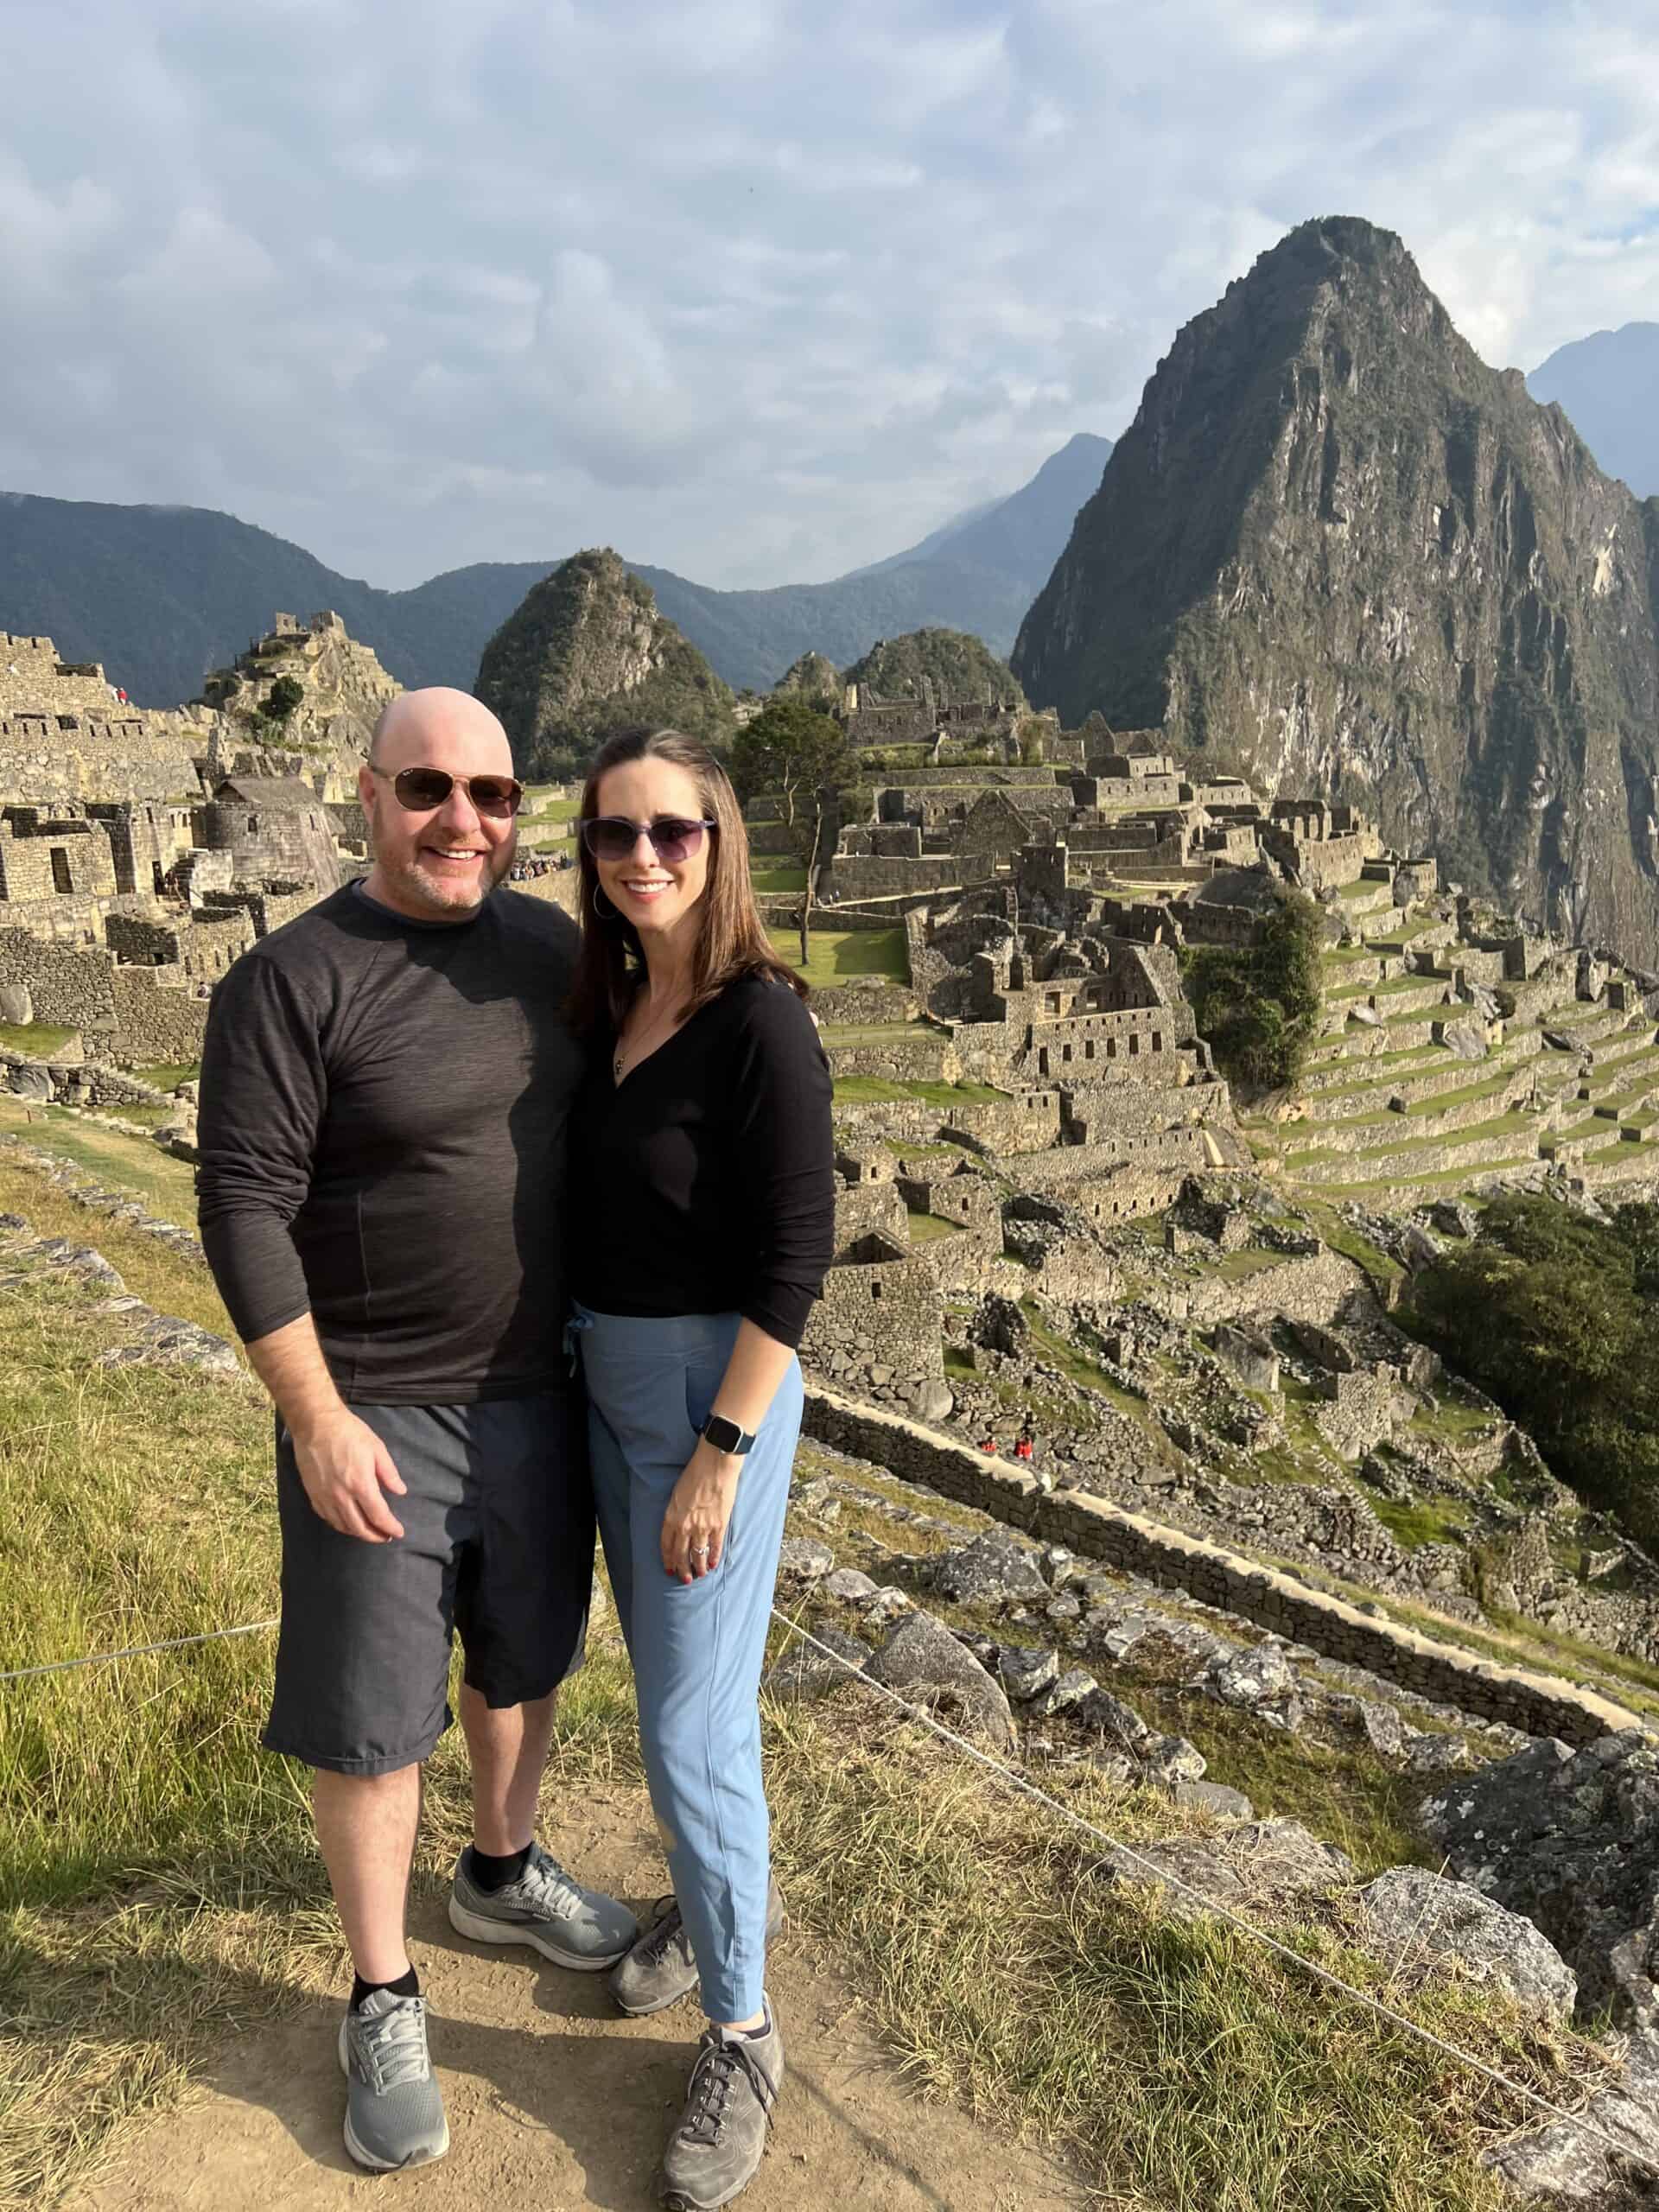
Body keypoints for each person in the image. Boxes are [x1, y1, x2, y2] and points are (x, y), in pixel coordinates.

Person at [196, 689, 636, 2175]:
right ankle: (384, 1988)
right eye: (431, 790)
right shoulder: (291, 979)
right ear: (367, 795)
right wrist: (312, 1416)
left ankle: (501, 1872)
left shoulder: (554, 960)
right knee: (378, 1716)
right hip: (374, 1403)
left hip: (537, 1391)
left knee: (524, 1658)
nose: (466, 822)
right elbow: (243, 1201)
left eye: (497, 796)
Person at [566, 726, 834, 2212]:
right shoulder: (608, 1007)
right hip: (604, 1385)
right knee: (672, 1700)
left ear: (719, 843)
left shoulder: (758, 1025)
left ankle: (743, 2030)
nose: (645, 857)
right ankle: (710, 1904)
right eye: (615, 836)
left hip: (707, 1402)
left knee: (690, 1718)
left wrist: (721, 1454)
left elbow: (795, 1262)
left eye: (673, 831)